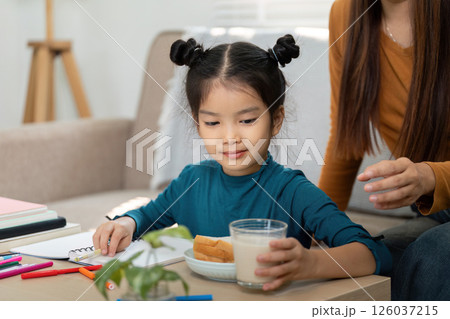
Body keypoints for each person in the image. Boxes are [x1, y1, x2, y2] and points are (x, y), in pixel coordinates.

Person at [93, 35, 392, 291]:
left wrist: (308, 264)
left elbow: (373, 252)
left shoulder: (293, 191)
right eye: (212, 123)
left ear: (276, 120)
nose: (230, 137)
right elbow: (146, 217)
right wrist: (124, 223)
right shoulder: (191, 181)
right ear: (197, 124)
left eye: (247, 120)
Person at [318, 0, 450, 300]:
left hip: (436, 204)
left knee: (434, 258)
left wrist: (430, 176)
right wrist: (314, 227)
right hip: (439, 211)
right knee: (367, 260)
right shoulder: (346, 12)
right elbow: (345, 139)